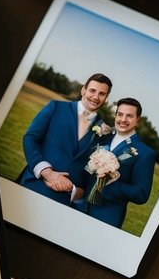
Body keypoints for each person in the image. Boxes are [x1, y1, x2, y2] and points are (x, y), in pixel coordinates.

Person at [18, 73, 113, 205]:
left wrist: (77, 192)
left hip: (66, 200)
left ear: (106, 98)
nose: (96, 97)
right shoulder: (56, 107)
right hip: (35, 185)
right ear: (83, 90)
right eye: (92, 90)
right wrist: (48, 173)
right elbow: (30, 139)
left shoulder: (105, 131)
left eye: (102, 94)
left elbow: (94, 172)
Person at [83, 97, 156, 229]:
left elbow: (141, 194)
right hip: (80, 206)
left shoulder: (145, 153)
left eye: (129, 116)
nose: (123, 120)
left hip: (107, 217)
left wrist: (109, 182)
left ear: (137, 120)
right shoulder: (102, 137)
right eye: (120, 114)